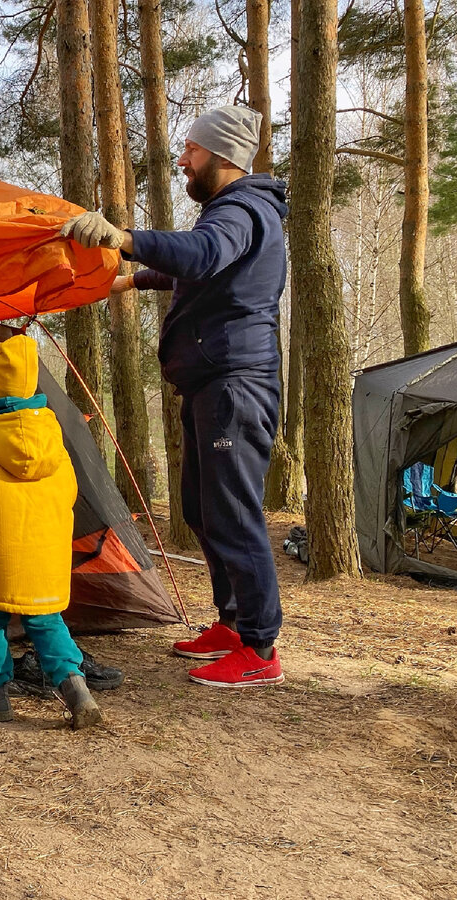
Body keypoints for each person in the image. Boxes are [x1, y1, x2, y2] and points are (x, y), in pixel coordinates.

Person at [59, 105, 287, 688]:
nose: (183, 160)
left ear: (223, 156)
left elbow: (203, 254)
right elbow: (201, 268)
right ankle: (233, 625)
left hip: (236, 383)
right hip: (214, 382)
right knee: (201, 509)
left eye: (192, 150)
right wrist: (133, 278)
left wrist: (126, 239)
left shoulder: (241, 210)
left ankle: (260, 649)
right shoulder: (235, 214)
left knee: (233, 512)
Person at [0, 334, 102, 728]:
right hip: (44, 561)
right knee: (47, 623)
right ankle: (76, 687)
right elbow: (68, 496)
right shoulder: (55, 441)